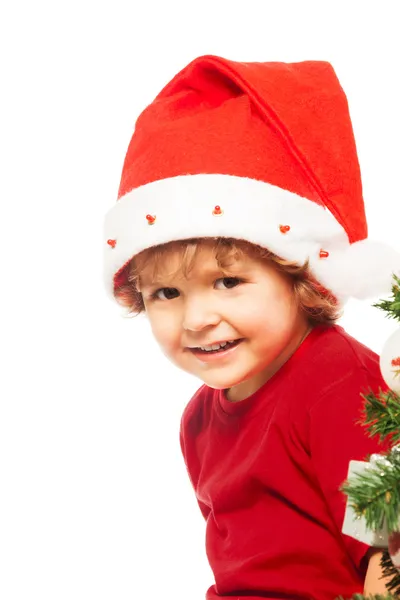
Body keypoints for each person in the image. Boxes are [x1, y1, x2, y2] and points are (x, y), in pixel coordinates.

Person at [103, 55, 400, 599]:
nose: (196, 319)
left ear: (300, 276)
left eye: (228, 282)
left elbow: (386, 555)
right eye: (167, 293)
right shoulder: (199, 420)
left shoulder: (340, 387)